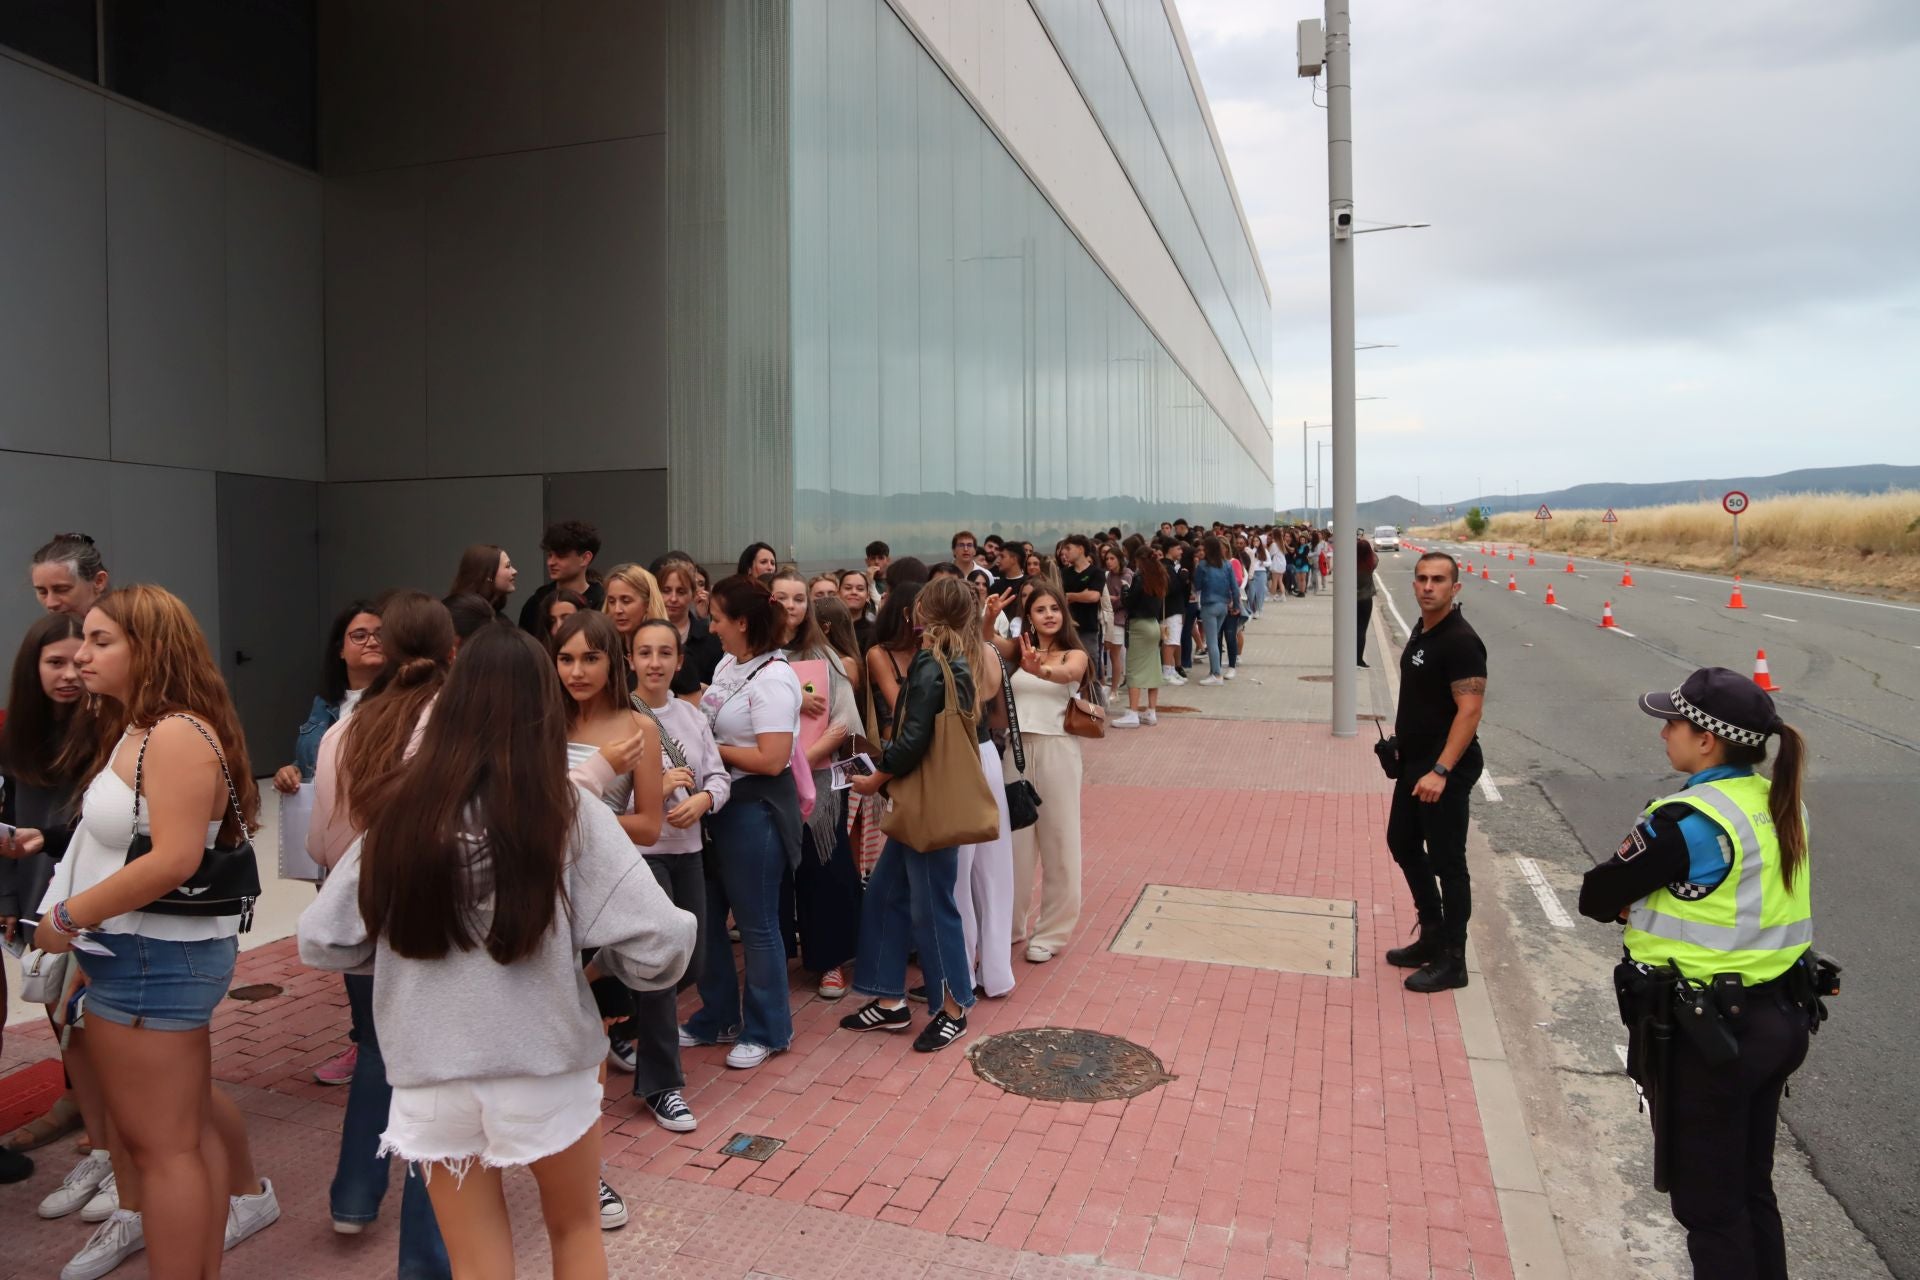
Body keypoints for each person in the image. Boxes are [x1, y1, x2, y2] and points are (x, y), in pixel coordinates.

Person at [298, 625, 696, 1280]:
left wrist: (403, 961)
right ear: (544, 709)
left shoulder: (401, 812)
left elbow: (324, 937)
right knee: (574, 1232)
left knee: (476, 1260)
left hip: (431, 1067)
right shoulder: (568, 809)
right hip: (545, 1059)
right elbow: (664, 939)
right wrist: (592, 963)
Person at [33, 586, 280, 1278]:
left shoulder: (174, 732)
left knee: (162, 1150)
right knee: (178, 1138)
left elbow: (175, 858)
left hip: (152, 960)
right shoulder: (145, 726)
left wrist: (65, 918)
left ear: (151, 649)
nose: (83, 654)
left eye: (102, 640)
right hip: (136, 955)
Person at [1579, 668, 1816, 1280]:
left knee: (1709, 1209)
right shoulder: (1777, 801)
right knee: (1749, 1188)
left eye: (1673, 722)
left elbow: (1598, 894)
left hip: (1712, 1039)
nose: (1664, 734)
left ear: (1706, 740)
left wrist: (1634, 898)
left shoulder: (1690, 819)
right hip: (1778, 1018)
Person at [303, 592, 457, 1270]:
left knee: (376, 1055)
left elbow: (318, 843)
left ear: (383, 652)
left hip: (363, 925)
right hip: (438, 933)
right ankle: (426, 1253)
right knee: (438, 1091)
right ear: (453, 650)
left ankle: (354, 1196)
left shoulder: (344, 733)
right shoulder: (459, 726)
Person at [839, 577, 983, 1051]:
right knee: (885, 894)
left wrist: (877, 778)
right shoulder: (956, 658)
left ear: (923, 612)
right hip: (928, 801)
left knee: (931, 905)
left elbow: (914, 737)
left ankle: (954, 1007)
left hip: (928, 804)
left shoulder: (931, 663)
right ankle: (889, 1001)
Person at [608, 618, 730, 1134]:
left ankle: (603, 1006)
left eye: (665, 653)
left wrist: (704, 798)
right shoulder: (619, 721)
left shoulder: (692, 716)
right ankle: (662, 1087)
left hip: (690, 849)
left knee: (692, 964)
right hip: (643, 855)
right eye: (645, 653)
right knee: (659, 966)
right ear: (630, 660)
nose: (655, 662)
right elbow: (605, 803)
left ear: (680, 661)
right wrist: (654, 788)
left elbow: (720, 776)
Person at [682, 576, 804, 1070]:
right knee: (708, 916)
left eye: (717, 618)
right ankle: (718, 1016)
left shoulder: (775, 678)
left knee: (756, 924)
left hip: (755, 810)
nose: (711, 627)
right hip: (718, 806)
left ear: (743, 622)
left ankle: (768, 1028)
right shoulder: (730, 662)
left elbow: (774, 759)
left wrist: (707, 751)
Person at [268, 599, 385, 1090]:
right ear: (340, 649)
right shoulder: (325, 706)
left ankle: (388, 1046)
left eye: (380, 633)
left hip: (380, 843)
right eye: (360, 635)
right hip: (334, 848)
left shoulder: (402, 701)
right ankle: (364, 1043)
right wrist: (290, 774)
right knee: (348, 945)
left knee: (387, 948)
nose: (373, 641)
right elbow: (312, 770)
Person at [0, 614, 90, 1189]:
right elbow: (9, 823)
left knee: (97, 1013)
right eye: (54, 662)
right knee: (56, 1002)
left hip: (99, 887)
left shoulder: (112, 727)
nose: (68, 675)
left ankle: (107, 1117)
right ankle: (85, 1105)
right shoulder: (14, 735)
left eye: (79, 661)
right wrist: (8, 895)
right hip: (34, 886)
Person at [1383, 553, 1486, 993]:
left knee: (1449, 862)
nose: (1429, 586)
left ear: (1455, 588)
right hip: (1414, 764)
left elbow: (1470, 709)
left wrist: (1442, 769)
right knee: (1402, 842)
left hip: (1442, 769)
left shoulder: (1461, 640)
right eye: (1422, 579)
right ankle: (1431, 935)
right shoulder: (1423, 629)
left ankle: (1453, 960)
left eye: (1439, 580)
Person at [770, 571, 864, 1000]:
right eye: (782, 598)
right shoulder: (753, 656)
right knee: (772, 871)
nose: (791, 606)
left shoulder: (821, 653)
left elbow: (844, 721)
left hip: (820, 780)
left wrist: (802, 762)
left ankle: (829, 961)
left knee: (824, 865)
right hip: (765, 781)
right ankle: (776, 955)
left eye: (799, 599)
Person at [991, 583, 1087, 964]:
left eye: (1054, 608)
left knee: (1059, 840)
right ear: (1027, 617)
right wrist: (988, 617)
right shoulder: (1018, 649)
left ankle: (1051, 933)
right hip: (1015, 751)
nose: (1049, 615)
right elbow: (989, 642)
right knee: (1013, 843)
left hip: (1057, 749)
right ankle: (1011, 925)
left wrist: (1041, 669)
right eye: (1040, 609)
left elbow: (1068, 674)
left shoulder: (1073, 653)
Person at [517, 521, 605, 638]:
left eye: (561, 556)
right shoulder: (536, 603)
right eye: (549, 555)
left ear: (585, 558)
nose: (550, 562)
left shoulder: (603, 604)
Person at [656, 560, 723, 700]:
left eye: (681, 591)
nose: (673, 598)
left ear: (693, 595)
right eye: (666, 591)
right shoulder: (643, 637)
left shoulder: (711, 639)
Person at [600, 564, 669, 687]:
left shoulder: (670, 653)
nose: (617, 610)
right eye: (611, 601)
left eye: (626, 601)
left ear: (648, 604)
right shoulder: (606, 652)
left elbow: (690, 705)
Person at [1120, 548, 1167, 727]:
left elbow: (1129, 602)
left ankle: (1133, 712)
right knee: (1153, 667)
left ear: (1140, 560)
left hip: (1139, 625)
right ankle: (1151, 711)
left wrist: (1125, 588)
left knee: (1134, 668)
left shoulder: (1140, 578)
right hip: (1154, 625)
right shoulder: (1160, 576)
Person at [31, 533, 111, 616]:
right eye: (42, 592)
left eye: (62, 589)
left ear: (99, 581)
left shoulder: (123, 627)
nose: (50, 604)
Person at [1193, 536, 1236, 686]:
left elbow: (1197, 586)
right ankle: (1213, 671)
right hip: (1223, 606)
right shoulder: (1227, 565)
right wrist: (1236, 605)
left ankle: (1216, 674)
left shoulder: (1203, 565)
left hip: (1209, 606)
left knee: (1211, 642)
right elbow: (1234, 587)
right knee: (1214, 640)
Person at [1058, 536, 1102, 655]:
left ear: (1080, 549)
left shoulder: (1096, 572)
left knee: (1090, 664)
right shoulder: (1064, 573)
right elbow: (1060, 597)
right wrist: (1082, 594)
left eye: (1068, 548)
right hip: (1067, 629)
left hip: (1088, 629)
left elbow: (1093, 596)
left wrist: (1071, 596)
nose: (1064, 552)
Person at [448, 544, 517, 618]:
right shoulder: (458, 616)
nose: (515, 571)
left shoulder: (500, 619)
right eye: (507, 566)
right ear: (488, 575)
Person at [1160, 540, 1190, 684]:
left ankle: (1171, 669)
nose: (1181, 552)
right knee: (1171, 641)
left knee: (1172, 640)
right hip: (1171, 610)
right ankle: (1167, 671)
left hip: (1172, 609)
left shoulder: (1169, 566)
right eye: (1178, 549)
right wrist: (1182, 578)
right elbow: (1172, 588)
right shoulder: (1167, 567)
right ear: (1170, 549)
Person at [1354, 531, 1379, 667]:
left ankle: (1348, 655)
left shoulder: (1350, 565)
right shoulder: (1370, 565)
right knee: (1361, 629)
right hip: (1365, 599)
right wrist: (1366, 545)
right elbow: (1375, 558)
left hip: (1351, 600)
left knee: (1351, 628)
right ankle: (1358, 659)